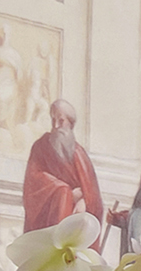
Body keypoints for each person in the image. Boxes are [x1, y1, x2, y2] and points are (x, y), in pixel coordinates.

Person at [21, 98, 103, 238]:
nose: (56, 125)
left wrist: (84, 200)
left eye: (61, 120)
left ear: (70, 124)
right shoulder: (41, 147)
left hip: (74, 223)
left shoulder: (80, 154)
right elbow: (33, 180)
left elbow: (94, 196)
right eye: (53, 120)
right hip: (47, 221)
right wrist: (66, 192)